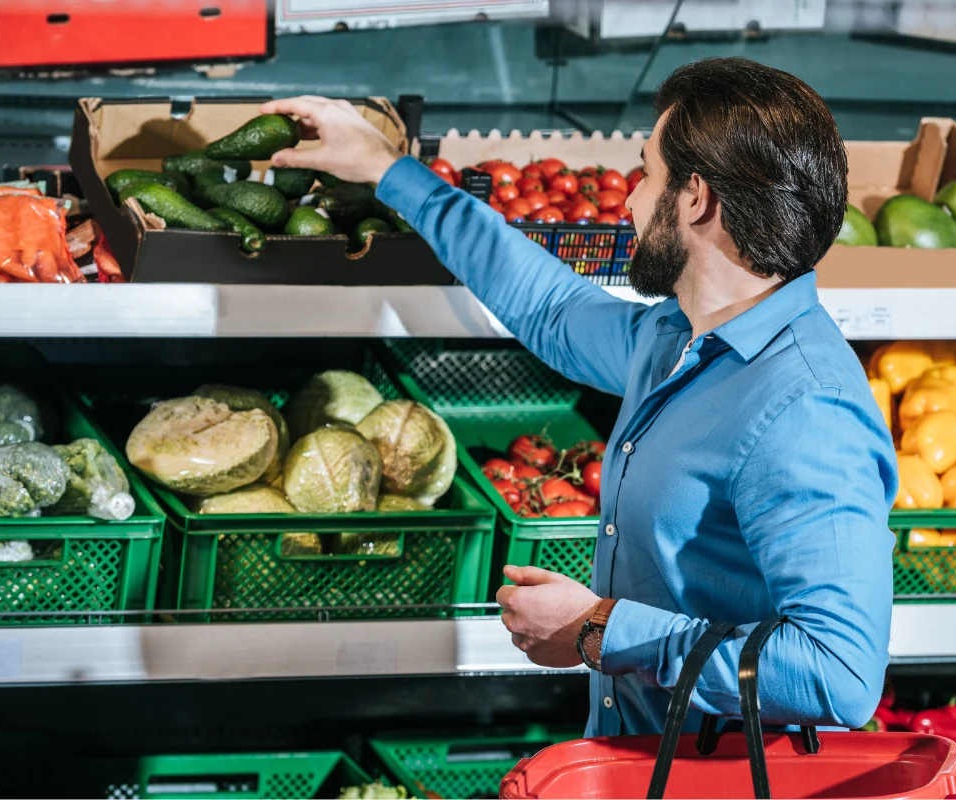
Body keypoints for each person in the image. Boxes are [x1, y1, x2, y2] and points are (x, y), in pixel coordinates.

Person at [261, 55, 896, 736]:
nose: (628, 199)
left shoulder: (804, 408)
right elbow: (551, 309)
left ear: (696, 199)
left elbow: (839, 672)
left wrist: (600, 629)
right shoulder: (676, 337)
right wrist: (389, 172)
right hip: (641, 765)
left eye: (647, 174)